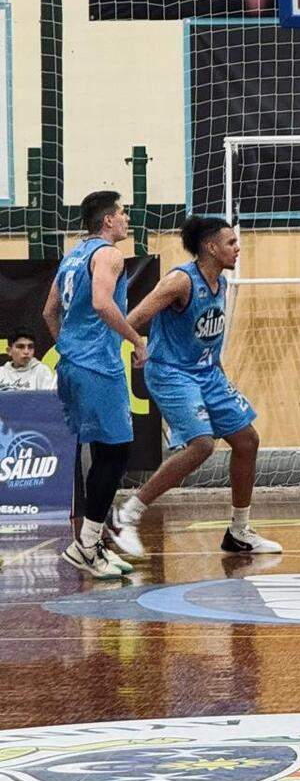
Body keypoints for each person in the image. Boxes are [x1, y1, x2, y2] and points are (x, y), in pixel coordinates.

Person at [107, 216, 280, 560]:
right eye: (231, 242)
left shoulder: (223, 283)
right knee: (201, 445)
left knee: (247, 441)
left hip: (207, 372)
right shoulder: (179, 282)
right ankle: (125, 515)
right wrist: (135, 346)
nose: (237, 248)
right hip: (171, 372)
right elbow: (134, 318)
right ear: (210, 247)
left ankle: (239, 531)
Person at [44, 190, 146, 580]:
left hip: (73, 365)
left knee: (104, 454)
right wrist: (136, 340)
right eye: (121, 213)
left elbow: (49, 311)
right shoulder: (109, 254)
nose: (125, 219)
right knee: (116, 452)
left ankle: (90, 544)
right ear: (107, 220)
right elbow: (104, 304)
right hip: (97, 368)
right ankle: (85, 546)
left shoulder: (73, 255)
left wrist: (70, 348)